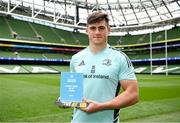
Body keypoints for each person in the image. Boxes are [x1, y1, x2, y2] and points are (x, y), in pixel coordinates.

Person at [69, 11, 139, 123]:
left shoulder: (120, 58)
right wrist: (66, 101)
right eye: (92, 28)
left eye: (101, 28)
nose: (97, 32)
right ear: (86, 30)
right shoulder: (75, 58)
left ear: (109, 30)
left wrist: (100, 106)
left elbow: (133, 94)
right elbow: (73, 94)